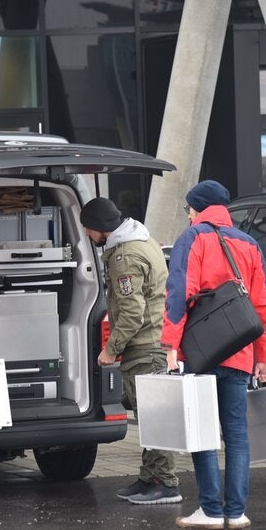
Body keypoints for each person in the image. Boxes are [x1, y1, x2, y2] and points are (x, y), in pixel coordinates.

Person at [163, 180, 266, 530]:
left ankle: (211, 510)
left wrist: (170, 346)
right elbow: (262, 305)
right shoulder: (249, 243)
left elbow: (180, 293)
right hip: (240, 352)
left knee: (203, 431)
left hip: (202, 351)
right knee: (237, 434)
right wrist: (265, 356)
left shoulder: (192, 238)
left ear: (195, 209)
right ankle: (236, 512)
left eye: (188, 210)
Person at [79, 197, 182, 506]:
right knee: (150, 413)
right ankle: (150, 477)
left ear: (99, 228)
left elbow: (132, 312)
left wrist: (111, 349)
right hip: (152, 342)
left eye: (88, 229)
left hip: (144, 347)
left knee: (152, 416)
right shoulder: (142, 238)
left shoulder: (124, 255)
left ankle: (165, 483)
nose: (86, 236)